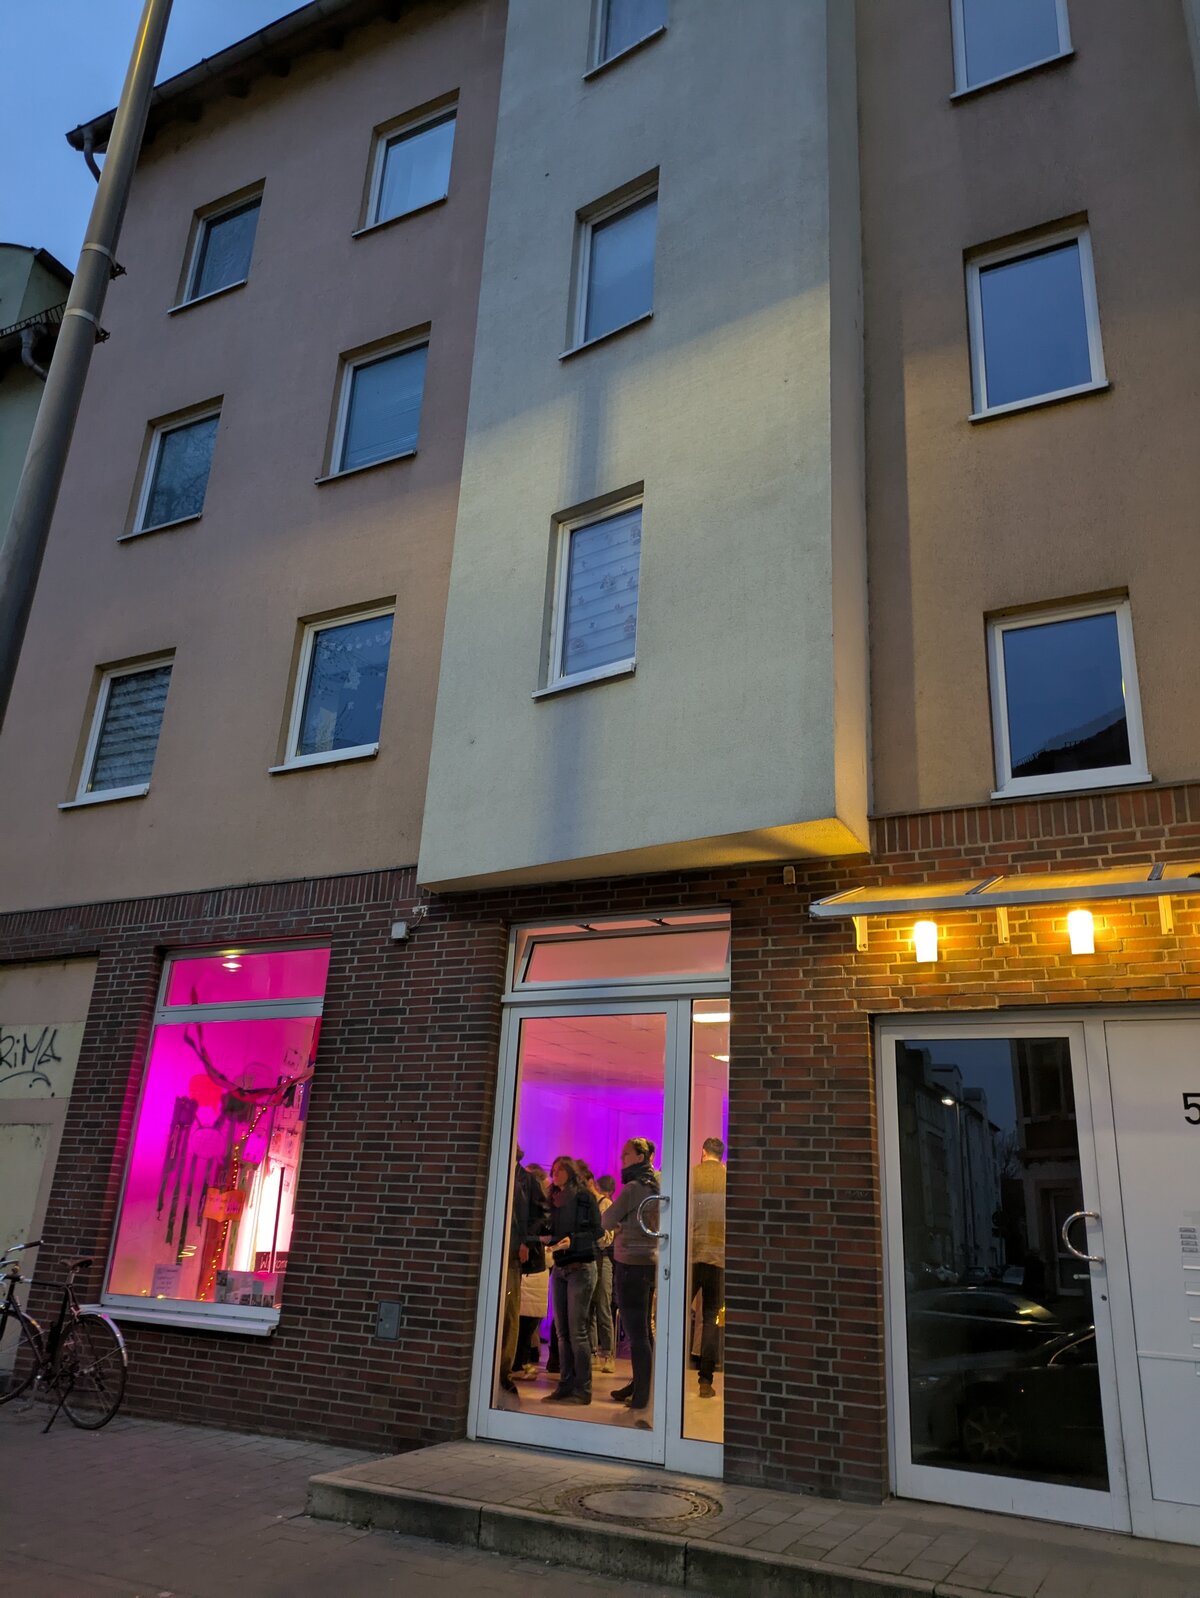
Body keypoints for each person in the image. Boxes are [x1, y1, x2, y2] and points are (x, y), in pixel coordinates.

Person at [540, 1155, 603, 1405]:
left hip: (580, 1266)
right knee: (562, 1332)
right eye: (553, 1170)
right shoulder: (554, 1198)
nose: (554, 1174)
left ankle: (583, 1388)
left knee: (577, 1331)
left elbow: (596, 1231)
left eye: (559, 1170)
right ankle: (565, 1384)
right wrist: (545, 1236)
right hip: (561, 1267)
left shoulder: (584, 1197)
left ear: (570, 1172)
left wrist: (572, 1240)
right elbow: (548, 1228)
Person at [605, 1137, 660, 1413]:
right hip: (650, 1262)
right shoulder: (656, 1185)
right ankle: (640, 1385)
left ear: (640, 1157)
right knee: (645, 1331)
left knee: (636, 1333)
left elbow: (606, 1219)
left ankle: (641, 1395)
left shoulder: (632, 1188)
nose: (621, 1159)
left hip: (629, 1263)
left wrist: (619, 1225)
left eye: (626, 1154)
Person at [690, 1136, 726, 1398]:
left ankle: (668, 1369)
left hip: (692, 1254)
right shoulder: (727, 1178)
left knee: (678, 1312)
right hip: (718, 1257)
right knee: (711, 1316)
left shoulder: (693, 1175)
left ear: (703, 1152)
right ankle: (705, 1380)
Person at [514, 1163, 550, 1377]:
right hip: (533, 1265)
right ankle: (519, 1362)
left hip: (532, 1264)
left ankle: (519, 1361)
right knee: (526, 1319)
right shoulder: (535, 1206)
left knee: (525, 1319)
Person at [588, 1172, 616, 1374]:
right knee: (588, 1307)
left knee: (603, 1306)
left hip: (602, 1258)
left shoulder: (604, 1204)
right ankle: (592, 1352)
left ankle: (608, 1353)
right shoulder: (587, 1204)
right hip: (589, 1257)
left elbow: (607, 1238)